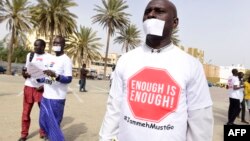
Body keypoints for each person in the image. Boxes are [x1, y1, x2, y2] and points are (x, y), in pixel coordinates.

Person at [99, 0, 213, 141]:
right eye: (148, 11)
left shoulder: (191, 65)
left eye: (159, 11)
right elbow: (114, 108)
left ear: (175, 22)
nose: (151, 14)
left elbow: (200, 120)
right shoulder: (126, 60)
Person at [38, 35, 72, 141]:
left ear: (63, 45)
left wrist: (56, 76)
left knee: (54, 123)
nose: (56, 45)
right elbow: (48, 76)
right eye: (55, 43)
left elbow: (68, 79)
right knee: (43, 121)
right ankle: (50, 137)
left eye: (58, 43)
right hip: (46, 95)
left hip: (57, 98)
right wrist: (42, 82)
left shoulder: (66, 60)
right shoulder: (51, 58)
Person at [18, 39, 49, 141]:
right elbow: (26, 72)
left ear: (43, 47)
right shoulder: (30, 55)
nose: (35, 48)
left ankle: (43, 132)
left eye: (38, 46)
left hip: (41, 88)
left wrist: (44, 86)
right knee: (25, 113)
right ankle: (24, 134)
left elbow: (51, 75)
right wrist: (24, 74)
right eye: (35, 46)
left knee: (43, 112)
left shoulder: (49, 57)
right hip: (29, 87)